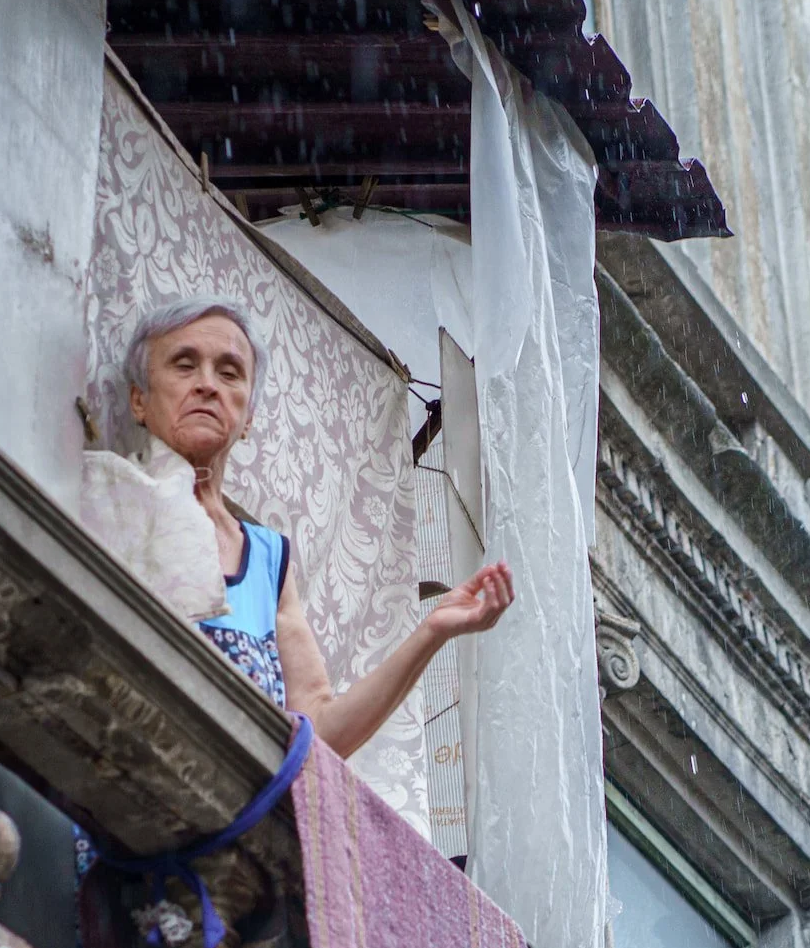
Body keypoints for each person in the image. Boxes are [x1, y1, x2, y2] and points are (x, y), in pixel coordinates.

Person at [122, 296, 515, 757]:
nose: (207, 385)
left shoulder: (268, 560)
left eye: (229, 373)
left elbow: (319, 733)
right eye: (184, 365)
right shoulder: (110, 501)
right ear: (138, 399)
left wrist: (433, 630)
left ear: (249, 418)